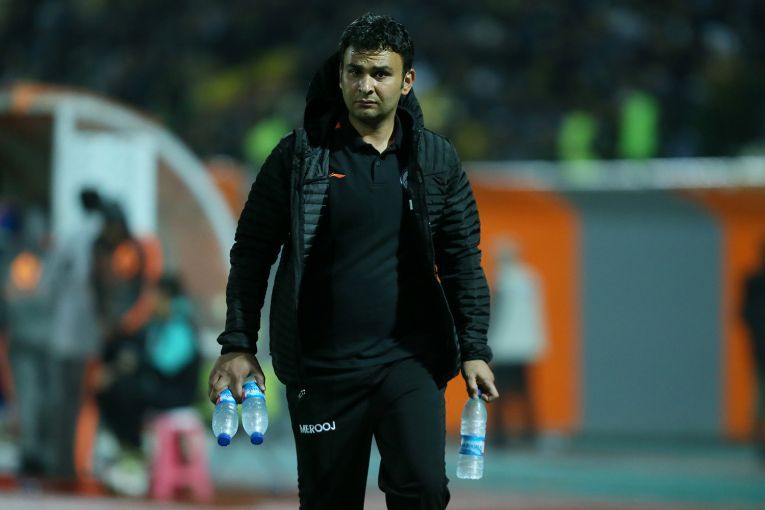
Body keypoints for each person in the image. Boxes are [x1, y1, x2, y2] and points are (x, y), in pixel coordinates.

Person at [207, 13, 498, 510]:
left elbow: (461, 259)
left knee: (424, 491)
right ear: (340, 76)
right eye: (355, 72)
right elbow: (252, 252)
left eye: (381, 73)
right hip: (323, 370)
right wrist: (238, 343)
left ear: (407, 81)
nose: (366, 85)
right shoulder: (299, 157)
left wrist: (474, 347)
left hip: (409, 363)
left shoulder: (436, 161)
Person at [488, 239, 547, 447]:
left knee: (498, 393)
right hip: (524, 346)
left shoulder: (502, 280)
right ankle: (531, 433)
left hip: (503, 347)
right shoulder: (531, 278)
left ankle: (500, 435)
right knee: (524, 393)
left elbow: (495, 315)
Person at [742, 242, 765, 459]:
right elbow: (745, 313)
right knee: (760, 389)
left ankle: (757, 435)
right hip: (760, 347)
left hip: (758, 345)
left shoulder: (753, 282)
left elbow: (744, 314)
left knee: (760, 390)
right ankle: (757, 436)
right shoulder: (754, 282)